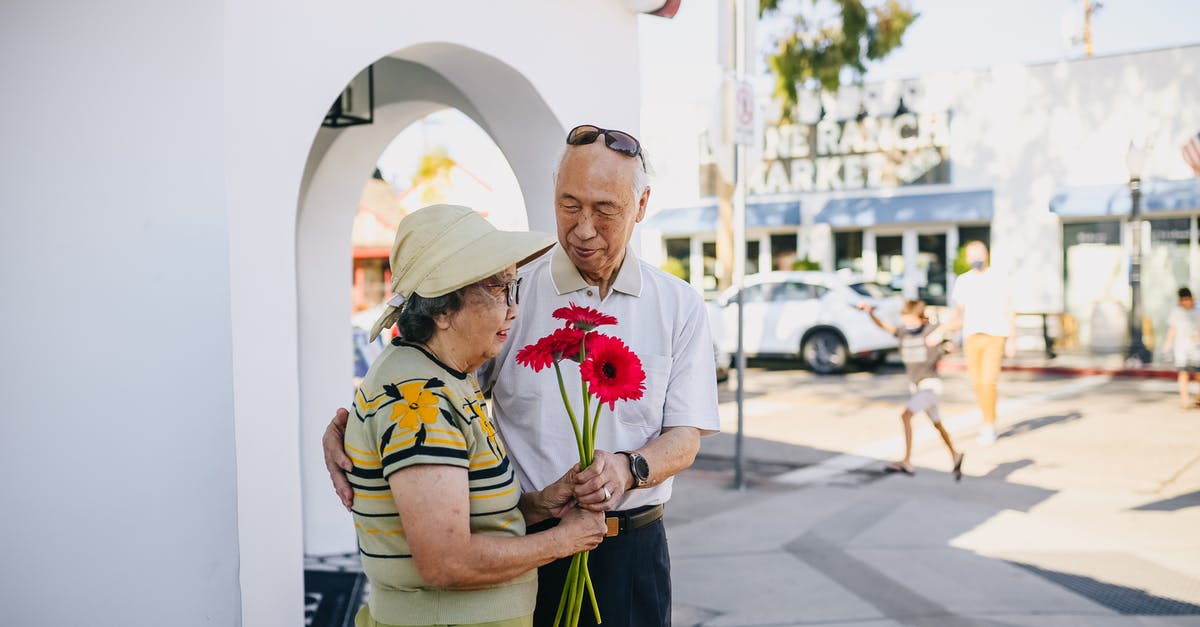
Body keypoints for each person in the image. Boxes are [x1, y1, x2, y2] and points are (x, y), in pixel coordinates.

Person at [325, 124, 721, 626]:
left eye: (605, 210)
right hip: (524, 545)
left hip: (632, 552)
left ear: (641, 206)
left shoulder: (678, 304)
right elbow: (431, 379)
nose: (582, 228)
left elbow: (685, 437)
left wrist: (627, 469)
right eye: (569, 204)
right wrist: (353, 429)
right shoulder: (506, 293)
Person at [343, 204, 607, 627]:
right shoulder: (419, 402)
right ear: (441, 310)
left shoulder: (444, 378)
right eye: (497, 289)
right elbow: (446, 562)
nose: (513, 309)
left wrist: (539, 505)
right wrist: (565, 540)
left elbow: (471, 518)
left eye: (512, 287)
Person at [858, 299, 964, 480]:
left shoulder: (930, 330)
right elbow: (884, 327)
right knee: (937, 424)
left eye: (912, 320)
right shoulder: (904, 333)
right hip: (916, 387)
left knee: (905, 416)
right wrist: (870, 313)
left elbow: (958, 322)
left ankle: (907, 461)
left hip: (930, 385)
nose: (908, 324)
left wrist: (940, 331)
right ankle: (955, 454)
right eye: (905, 320)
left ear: (922, 318)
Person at [946, 241, 1015, 446]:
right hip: (971, 335)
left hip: (995, 334)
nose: (976, 258)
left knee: (988, 381)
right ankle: (986, 417)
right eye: (972, 254)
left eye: (980, 253)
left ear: (987, 255)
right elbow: (960, 311)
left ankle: (989, 424)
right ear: (967, 258)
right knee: (976, 382)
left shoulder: (998, 277)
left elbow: (1010, 308)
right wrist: (952, 336)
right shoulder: (963, 281)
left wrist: (1012, 339)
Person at [1161, 287, 1200, 409]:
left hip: (1197, 348)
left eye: (1187, 299)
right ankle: (1185, 402)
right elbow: (1172, 329)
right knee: (1183, 374)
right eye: (1183, 300)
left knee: (1198, 374)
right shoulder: (1176, 312)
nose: (1185, 302)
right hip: (1182, 349)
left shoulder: (1198, 310)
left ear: (1191, 298)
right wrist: (1167, 344)